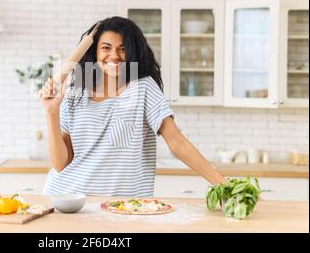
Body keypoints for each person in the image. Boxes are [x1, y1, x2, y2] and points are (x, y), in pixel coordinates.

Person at [39, 16, 226, 197]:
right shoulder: (75, 94)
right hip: (67, 200)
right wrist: (51, 111)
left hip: (121, 207)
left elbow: (177, 142)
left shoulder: (143, 87)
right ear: (95, 52)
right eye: (106, 48)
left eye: (122, 49)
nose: (114, 56)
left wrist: (224, 186)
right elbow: (61, 163)